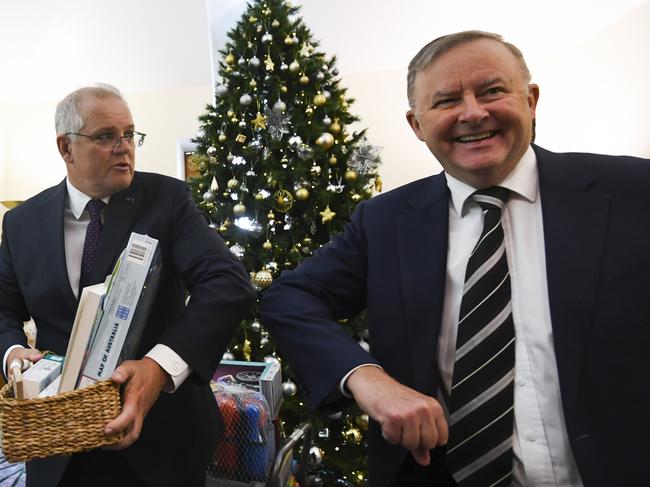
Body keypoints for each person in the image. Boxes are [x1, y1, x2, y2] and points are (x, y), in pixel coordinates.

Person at [261, 30, 650, 487]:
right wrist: (368, 379)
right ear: (417, 124)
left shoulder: (631, 193)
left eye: (492, 91)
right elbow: (288, 297)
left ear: (531, 100)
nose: (472, 113)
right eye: (446, 101)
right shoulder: (384, 222)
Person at [0, 84, 255, 487]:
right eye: (106, 136)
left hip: (160, 445)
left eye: (130, 134)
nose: (124, 147)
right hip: (59, 452)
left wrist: (159, 366)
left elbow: (227, 283)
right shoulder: (21, 223)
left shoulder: (167, 200)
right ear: (66, 148)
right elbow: (4, 311)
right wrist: (13, 352)